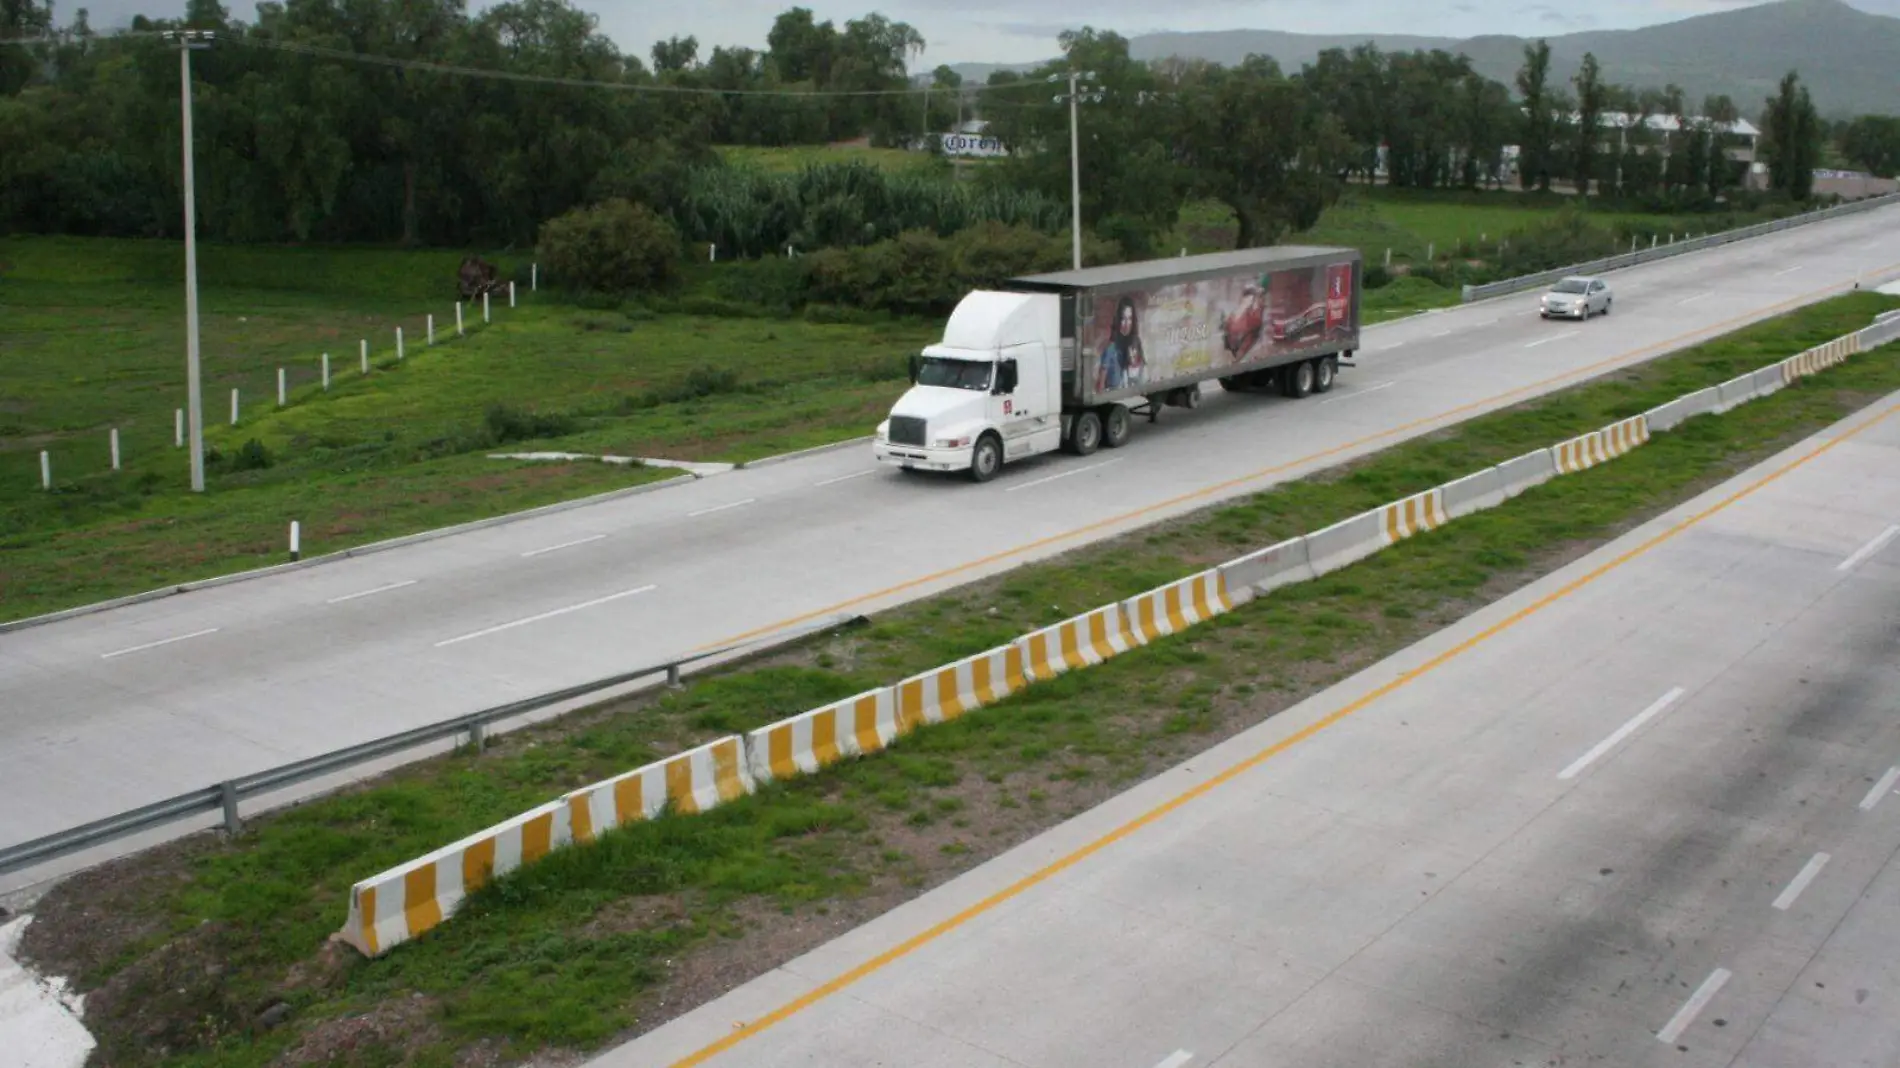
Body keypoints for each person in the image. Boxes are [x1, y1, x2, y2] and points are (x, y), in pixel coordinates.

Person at [1098, 296, 1145, 391]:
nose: (1127, 324)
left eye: (1130, 318)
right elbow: (1101, 385)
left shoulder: (1135, 342)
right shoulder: (1111, 348)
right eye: (1123, 319)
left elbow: (1142, 370)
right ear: (1118, 320)